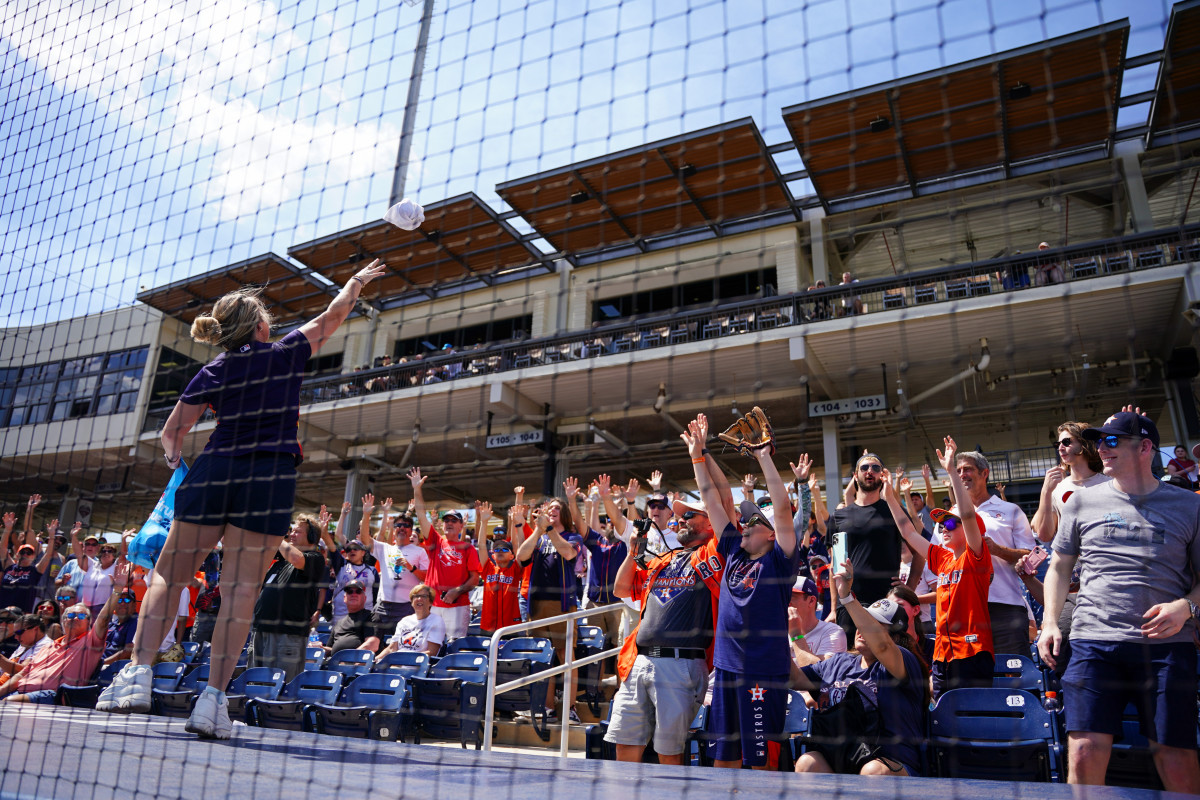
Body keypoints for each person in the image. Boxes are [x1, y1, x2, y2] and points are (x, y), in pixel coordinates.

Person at [94, 257, 387, 739]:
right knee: (240, 592)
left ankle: (137, 676)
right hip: (269, 477)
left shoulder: (213, 369)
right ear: (260, 323)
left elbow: (173, 433)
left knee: (170, 574)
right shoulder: (288, 351)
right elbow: (334, 315)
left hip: (216, 469)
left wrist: (175, 467)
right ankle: (211, 702)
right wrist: (354, 281)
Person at [1039, 410, 1200, 792]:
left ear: (1145, 448)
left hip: (1165, 648)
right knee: (1083, 753)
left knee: (1175, 756)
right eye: (1099, 441)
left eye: (1112, 441)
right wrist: (1048, 622)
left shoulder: (1190, 506)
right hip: (1093, 640)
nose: (1101, 449)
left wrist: (1187, 607)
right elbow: (1059, 568)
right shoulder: (1080, 502)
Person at [606, 423, 727, 765]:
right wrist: (633, 550)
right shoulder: (663, 560)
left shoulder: (713, 554)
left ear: (708, 522)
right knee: (625, 746)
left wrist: (699, 456)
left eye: (688, 515)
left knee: (668, 753)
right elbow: (620, 588)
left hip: (681, 664)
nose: (679, 521)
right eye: (677, 518)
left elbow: (724, 505)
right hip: (639, 661)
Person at [688, 414, 799, 770]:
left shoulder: (781, 562)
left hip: (763, 672)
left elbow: (782, 511)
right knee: (725, 761)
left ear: (770, 534)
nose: (746, 524)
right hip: (726, 670)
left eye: (754, 521)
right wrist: (697, 456)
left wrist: (764, 456)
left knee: (762, 765)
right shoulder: (734, 549)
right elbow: (711, 502)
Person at [794, 558, 928, 776]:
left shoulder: (904, 661)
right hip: (842, 757)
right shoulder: (841, 661)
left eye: (873, 625)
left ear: (894, 635)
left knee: (873, 772)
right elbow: (796, 678)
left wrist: (846, 597)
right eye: (862, 622)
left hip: (891, 762)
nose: (861, 628)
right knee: (807, 763)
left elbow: (883, 647)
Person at [882, 440, 993, 700]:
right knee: (945, 724)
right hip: (942, 653)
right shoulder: (941, 558)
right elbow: (907, 530)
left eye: (950, 522)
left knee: (971, 720)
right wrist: (889, 496)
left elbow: (967, 515)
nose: (943, 527)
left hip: (972, 652)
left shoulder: (975, 556)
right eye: (941, 523)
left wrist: (952, 471)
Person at [1030, 421, 1110, 673]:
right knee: (1061, 640)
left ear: (1084, 445)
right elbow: (1043, 533)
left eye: (1067, 442)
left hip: (1107, 574)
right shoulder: (1058, 488)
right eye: (1058, 444)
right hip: (1072, 579)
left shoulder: (1109, 482)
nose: (1061, 448)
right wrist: (1046, 491)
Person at [829, 453, 926, 640]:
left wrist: (909, 588)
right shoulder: (839, 516)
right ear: (855, 476)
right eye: (864, 468)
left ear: (882, 475)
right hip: (849, 601)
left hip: (887, 602)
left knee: (888, 661)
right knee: (852, 660)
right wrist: (834, 608)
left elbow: (920, 552)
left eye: (875, 468)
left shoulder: (894, 511)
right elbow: (835, 564)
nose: (869, 471)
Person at [952, 449, 1036, 656]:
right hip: (965, 608)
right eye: (958, 470)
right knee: (974, 679)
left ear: (984, 473)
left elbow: (1032, 555)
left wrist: (997, 550)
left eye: (968, 469)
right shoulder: (949, 516)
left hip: (1006, 605)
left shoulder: (1010, 510)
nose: (962, 474)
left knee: (1013, 674)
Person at [515, 484, 586, 723]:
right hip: (536, 605)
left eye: (556, 508)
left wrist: (549, 530)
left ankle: (569, 708)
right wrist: (537, 531)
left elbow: (568, 554)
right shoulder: (540, 536)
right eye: (549, 508)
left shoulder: (573, 536)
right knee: (542, 658)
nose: (551, 510)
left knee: (567, 657)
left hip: (563, 605)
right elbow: (521, 557)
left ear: (563, 514)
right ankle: (545, 707)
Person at [246, 514, 328, 681]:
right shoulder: (279, 563)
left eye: (297, 532)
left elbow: (297, 558)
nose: (291, 534)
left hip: (287, 636)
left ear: (312, 537)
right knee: (255, 685)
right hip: (261, 632)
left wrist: (275, 537)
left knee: (281, 688)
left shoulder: (315, 558)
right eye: (292, 531)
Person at [0, 592, 112, 703]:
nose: (76, 618)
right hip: (20, 691)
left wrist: (116, 591)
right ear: (64, 620)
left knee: (10, 702)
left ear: (89, 623)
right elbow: (21, 674)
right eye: (71, 616)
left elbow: (103, 621)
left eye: (81, 616)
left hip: (53, 694)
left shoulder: (90, 642)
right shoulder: (48, 647)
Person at [412, 469, 481, 641]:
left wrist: (457, 591)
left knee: (453, 646)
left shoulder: (468, 548)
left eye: (454, 520)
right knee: (428, 643)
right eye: (446, 520)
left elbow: (474, 578)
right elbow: (421, 516)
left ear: (460, 526)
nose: (449, 523)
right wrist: (417, 489)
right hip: (432, 604)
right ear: (442, 526)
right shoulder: (436, 541)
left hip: (457, 606)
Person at [360, 494, 428, 637]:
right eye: (398, 525)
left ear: (411, 530)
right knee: (375, 645)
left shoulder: (420, 551)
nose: (402, 528)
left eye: (406, 526)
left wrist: (411, 568)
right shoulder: (384, 548)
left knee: (400, 646)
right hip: (382, 608)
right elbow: (365, 538)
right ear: (394, 528)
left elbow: (427, 577)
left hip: (406, 608)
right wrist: (366, 515)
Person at [476, 501, 525, 637]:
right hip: (488, 626)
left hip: (510, 626)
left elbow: (519, 546)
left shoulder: (515, 569)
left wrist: (517, 524)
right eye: (496, 549)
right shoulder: (488, 569)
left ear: (511, 555)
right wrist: (484, 522)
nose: (500, 550)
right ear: (492, 554)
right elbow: (481, 545)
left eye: (504, 549)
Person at [787, 576, 847, 671]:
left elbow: (822, 674)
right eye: (782, 596)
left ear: (811, 601)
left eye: (790, 596)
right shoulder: (776, 631)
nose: (784, 601)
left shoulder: (832, 632)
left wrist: (796, 636)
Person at [0, 512, 55, 613]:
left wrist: (51, 537)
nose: (25, 554)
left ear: (33, 557)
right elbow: (2, 548)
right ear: (17, 554)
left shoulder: (35, 570)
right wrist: (7, 529)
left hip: (21, 615)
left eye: (29, 553)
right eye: (22, 552)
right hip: (2, 612)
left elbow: (48, 555)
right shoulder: (9, 566)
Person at [377, 584, 445, 658]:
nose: (419, 599)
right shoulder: (404, 621)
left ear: (431, 602)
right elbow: (392, 648)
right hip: (396, 663)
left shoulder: (436, 621)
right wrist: (374, 661)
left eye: (424, 596)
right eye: (416, 596)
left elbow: (432, 652)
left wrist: (406, 660)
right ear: (412, 602)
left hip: (417, 665)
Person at [325, 580, 382, 655]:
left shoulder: (371, 617)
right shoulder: (339, 623)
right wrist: (320, 648)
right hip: (335, 663)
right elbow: (331, 649)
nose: (354, 594)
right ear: (344, 598)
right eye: (349, 592)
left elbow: (372, 645)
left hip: (358, 664)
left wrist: (350, 658)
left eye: (358, 591)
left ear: (364, 598)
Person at [0, 615, 52, 683]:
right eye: (15, 633)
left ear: (36, 629)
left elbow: (22, 671)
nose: (16, 637)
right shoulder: (25, 643)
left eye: (19, 632)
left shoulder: (47, 645)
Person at [102, 589, 139, 664]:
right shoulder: (111, 624)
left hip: (114, 668)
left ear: (134, 605)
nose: (122, 603)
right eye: (119, 600)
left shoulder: (135, 622)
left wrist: (102, 663)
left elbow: (128, 652)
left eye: (127, 600)